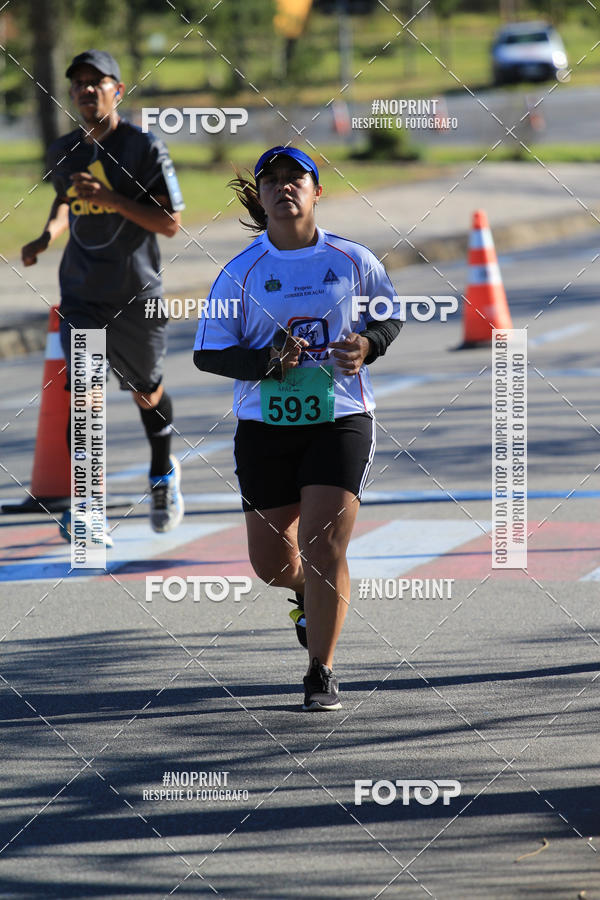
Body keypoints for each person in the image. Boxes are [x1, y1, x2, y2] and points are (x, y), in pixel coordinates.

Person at [193, 146, 402, 710]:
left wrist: (368, 343)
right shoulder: (241, 272)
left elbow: (388, 314)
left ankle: (321, 670)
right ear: (259, 197)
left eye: (296, 179)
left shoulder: (353, 259)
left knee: (322, 543)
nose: (284, 188)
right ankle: (309, 594)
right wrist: (267, 363)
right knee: (272, 564)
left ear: (316, 191)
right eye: (273, 181)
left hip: (340, 417)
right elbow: (208, 353)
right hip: (266, 424)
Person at [21, 50, 185, 540]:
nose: (88, 90)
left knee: (145, 390)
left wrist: (110, 197)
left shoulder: (143, 148)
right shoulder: (63, 151)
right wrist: (47, 236)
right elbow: (64, 200)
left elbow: (171, 224)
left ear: (118, 89)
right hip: (82, 294)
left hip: (137, 292)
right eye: (79, 83)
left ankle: (162, 473)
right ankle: (86, 507)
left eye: (98, 81)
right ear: (71, 94)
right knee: (84, 395)